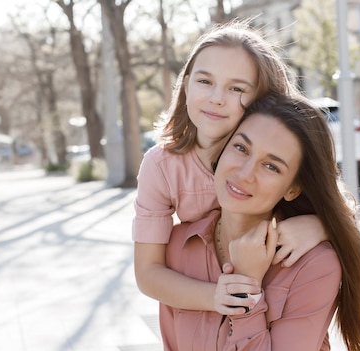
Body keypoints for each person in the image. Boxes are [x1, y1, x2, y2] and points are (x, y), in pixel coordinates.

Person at [159, 94, 360, 351]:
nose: (245, 172)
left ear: (292, 188)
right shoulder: (181, 246)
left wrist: (246, 286)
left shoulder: (313, 263)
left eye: (271, 165)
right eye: (240, 148)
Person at [133, 20, 328, 315]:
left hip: (276, 298)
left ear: (263, 99)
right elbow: (148, 272)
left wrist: (320, 225)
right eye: (204, 81)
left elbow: (341, 208)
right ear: (185, 85)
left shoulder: (280, 154)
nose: (217, 98)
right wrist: (216, 296)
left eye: (237, 88)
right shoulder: (162, 166)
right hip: (205, 304)